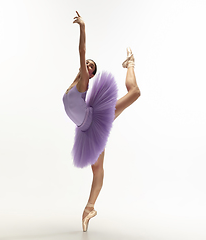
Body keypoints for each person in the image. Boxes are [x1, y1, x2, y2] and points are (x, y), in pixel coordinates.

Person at [63, 11, 141, 232]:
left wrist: (83, 27)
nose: (87, 66)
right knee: (97, 170)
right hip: (86, 132)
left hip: (95, 118)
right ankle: (89, 209)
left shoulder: (82, 84)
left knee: (134, 92)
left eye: (91, 67)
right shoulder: (71, 86)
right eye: (86, 64)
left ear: (91, 75)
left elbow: (82, 50)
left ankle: (131, 64)